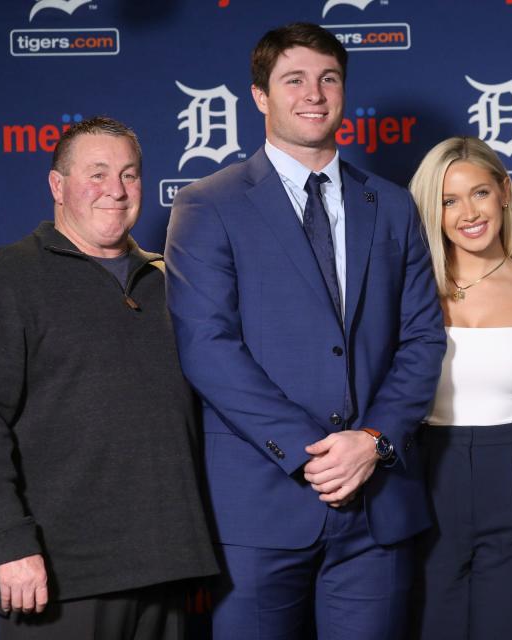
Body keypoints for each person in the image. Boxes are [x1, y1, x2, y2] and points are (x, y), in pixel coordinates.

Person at [164, 22, 446, 640]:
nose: (314, 93)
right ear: (260, 97)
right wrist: (313, 455)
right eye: (294, 79)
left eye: (328, 78)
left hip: (379, 505)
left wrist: (372, 439)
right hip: (261, 509)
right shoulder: (208, 204)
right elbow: (208, 348)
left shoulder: (392, 205)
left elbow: (423, 338)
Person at [0, 116, 218, 639]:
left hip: (167, 566)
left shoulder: (169, 282)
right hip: (61, 575)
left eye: (130, 175)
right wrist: (10, 542)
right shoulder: (9, 281)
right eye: (97, 173)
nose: (115, 190)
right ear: (58, 185)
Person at [407, 136, 512, 639]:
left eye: (479, 193)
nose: (468, 212)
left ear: (504, 192)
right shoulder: (408, 292)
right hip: (424, 480)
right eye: (448, 200)